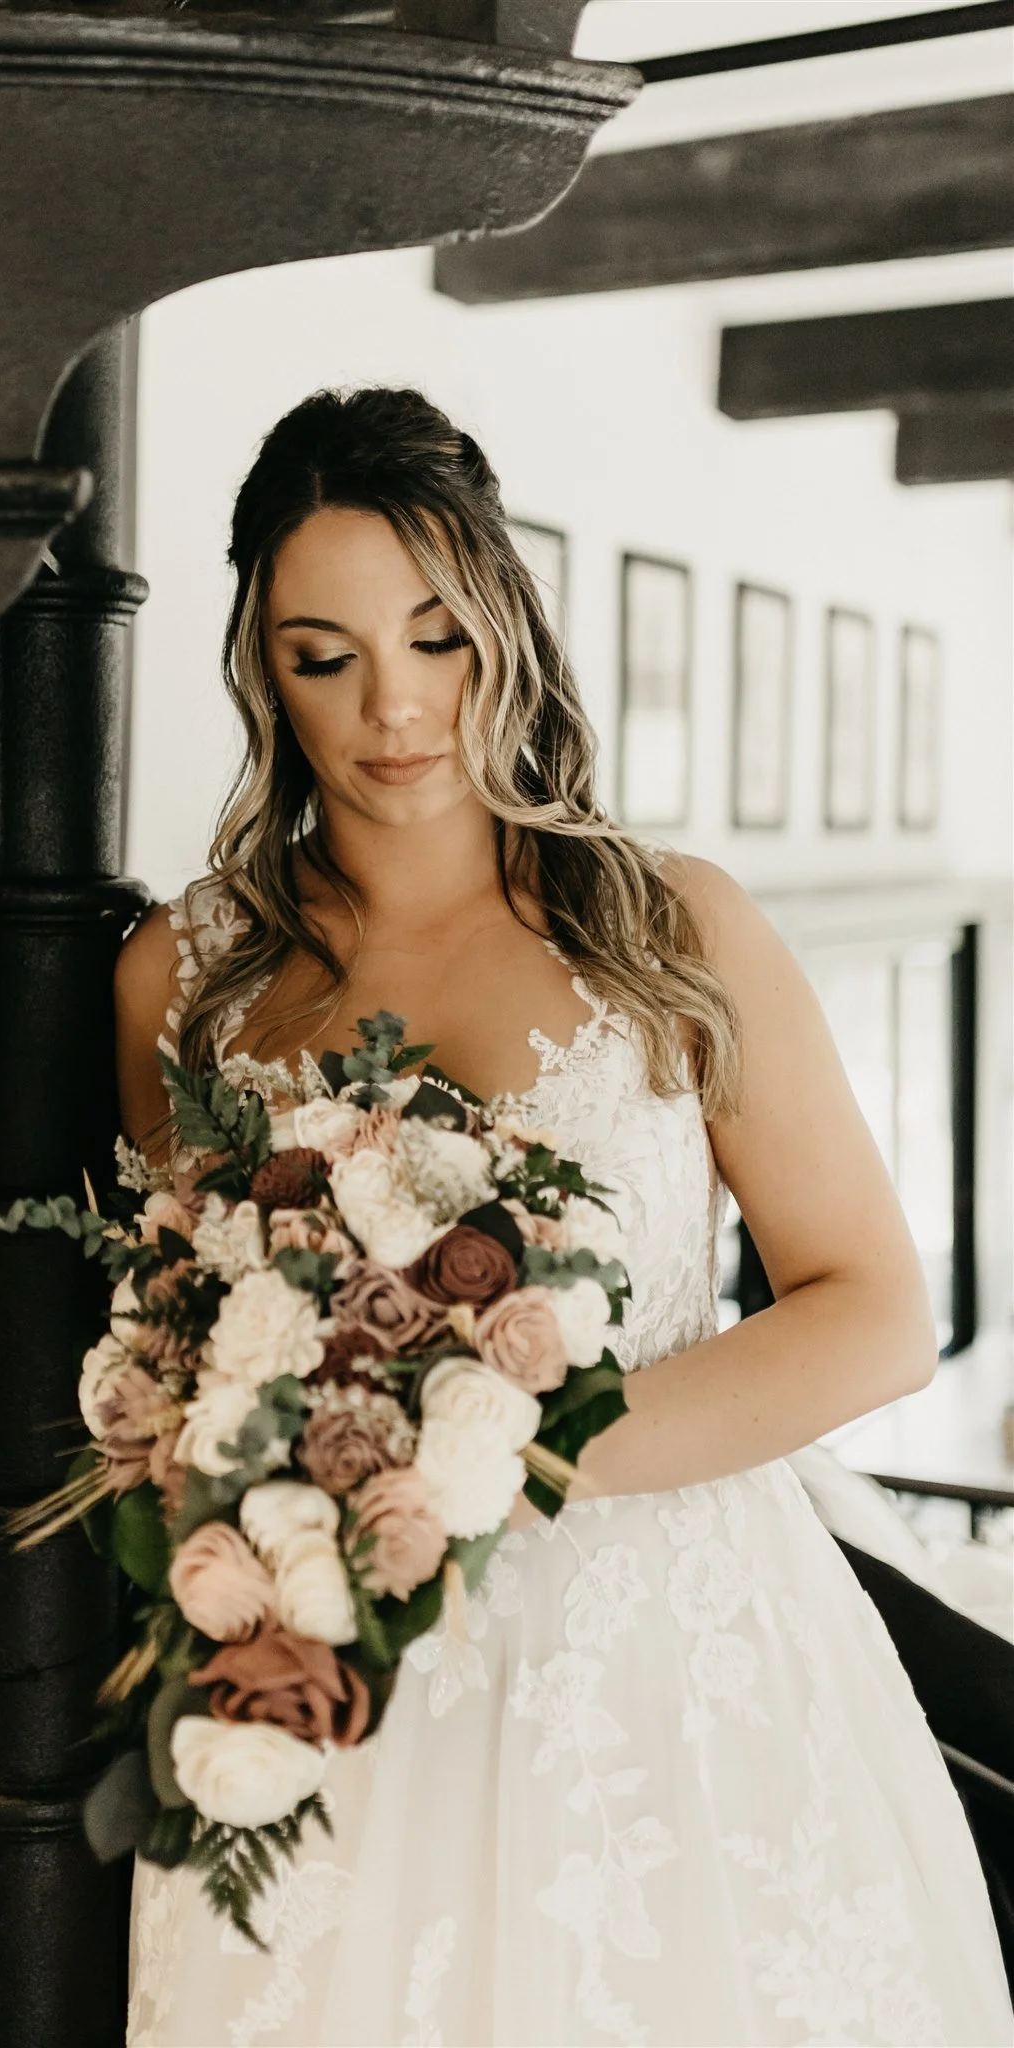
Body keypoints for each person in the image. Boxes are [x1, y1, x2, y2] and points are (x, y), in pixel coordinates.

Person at [112, 387, 1013, 2047]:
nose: (394, 705)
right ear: (261, 672)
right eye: (324, 657)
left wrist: (500, 1455)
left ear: (505, 624)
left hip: (665, 1674)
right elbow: (173, 1326)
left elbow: (872, 1308)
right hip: (340, 1675)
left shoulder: (668, 929)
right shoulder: (188, 976)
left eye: (436, 636)